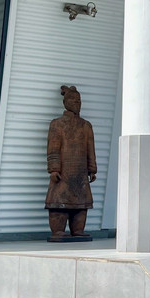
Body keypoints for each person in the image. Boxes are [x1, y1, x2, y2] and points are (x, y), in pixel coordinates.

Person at [45, 85, 97, 240]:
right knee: (59, 202)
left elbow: (90, 149)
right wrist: (54, 169)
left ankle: (78, 230)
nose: (77, 103)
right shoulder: (57, 124)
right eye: (73, 100)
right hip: (63, 172)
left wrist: (92, 169)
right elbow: (53, 148)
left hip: (80, 173)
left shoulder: (86, 125)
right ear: (65, 102)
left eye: (79, 100)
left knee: (81, 204)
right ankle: (58, 231)